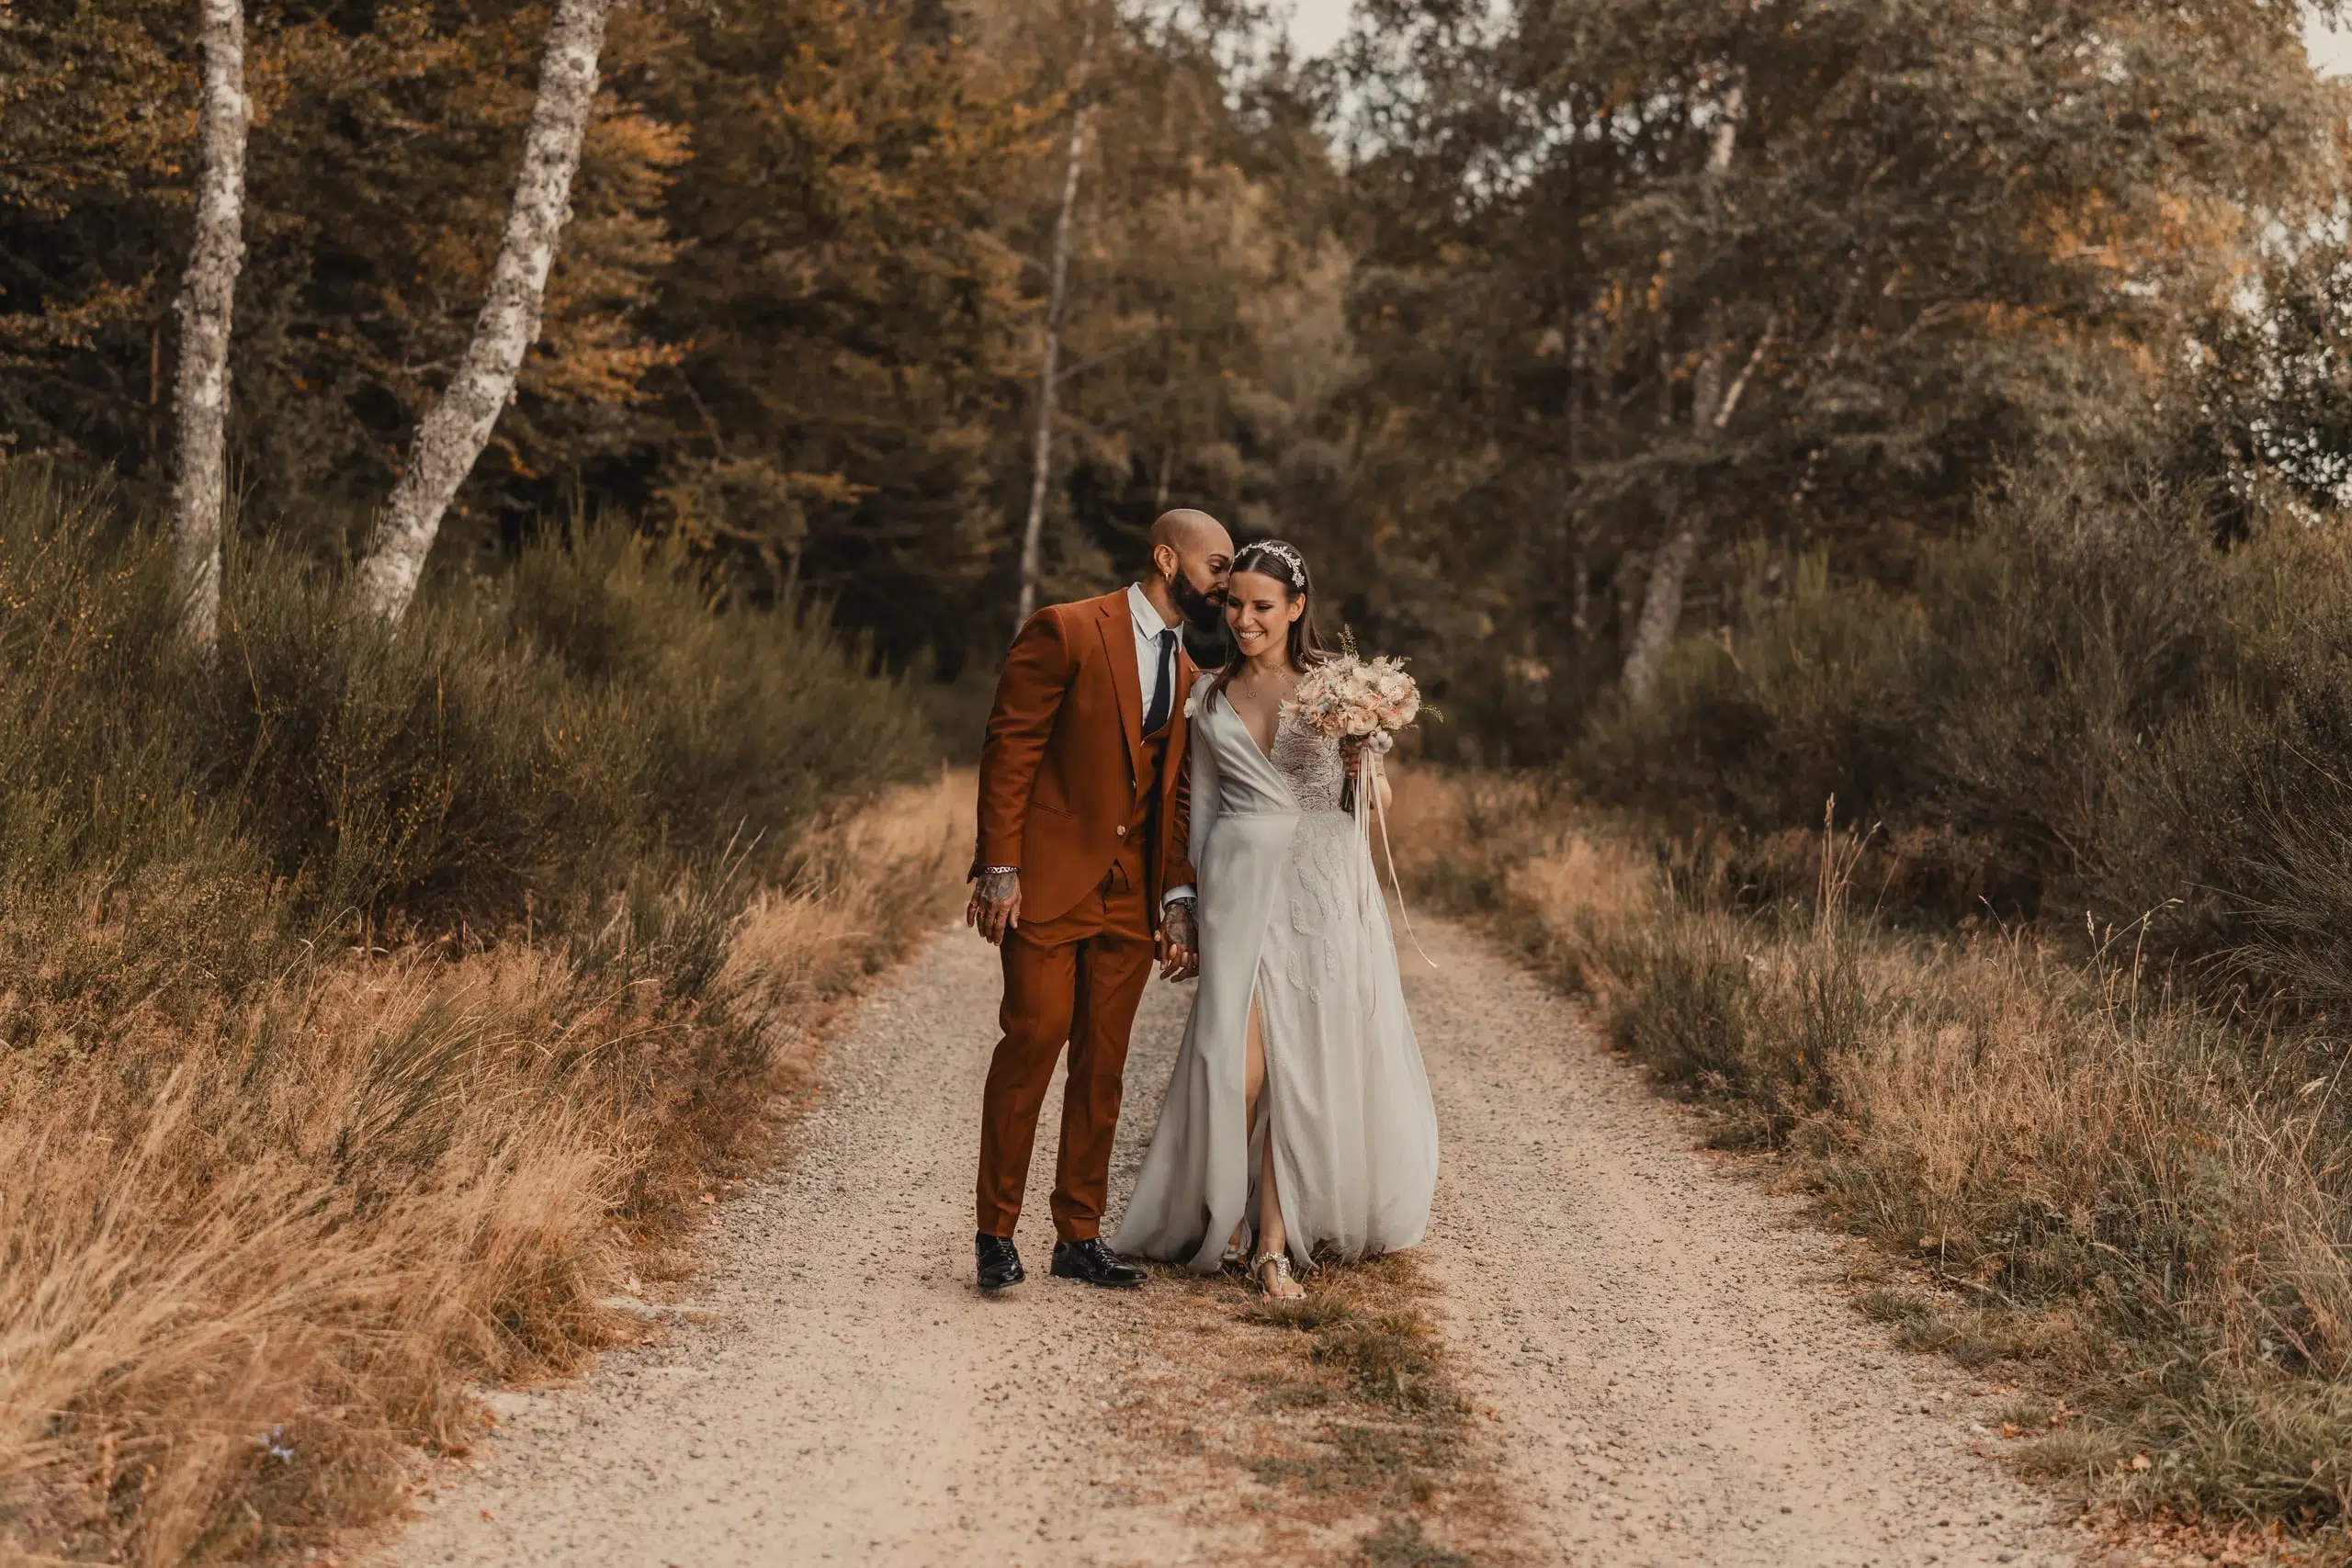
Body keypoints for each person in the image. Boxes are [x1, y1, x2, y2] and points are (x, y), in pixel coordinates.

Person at [1113, 539, 1439, 1300]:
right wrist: (1184, 904)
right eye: (1234, 605)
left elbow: (1373, 806)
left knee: (1297, 1063)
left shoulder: (1335, 691)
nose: (1245, 619)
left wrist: (1363, 762)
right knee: (1240, 1066)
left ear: (1295, 608)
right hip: (1238, 887)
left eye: (1262, 606)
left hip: (1320, 884)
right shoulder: (1210, 697)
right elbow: (1201, 812)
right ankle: (1223, 1210)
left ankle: (1269, 1242)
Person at [965, 509, 1236, 1292]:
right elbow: (1010, 745)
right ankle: (995, 1232)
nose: (1225, 582)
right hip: (1047, 882)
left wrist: (1176, 898)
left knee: (1103, 1067)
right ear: (1166, 557)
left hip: (1129, 898)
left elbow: (1177, 796)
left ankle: (1077, 1234)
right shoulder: (1068, 629)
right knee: (1033, 1042)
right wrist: (1000, 865)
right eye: (1216, 566)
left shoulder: (1191, 671)